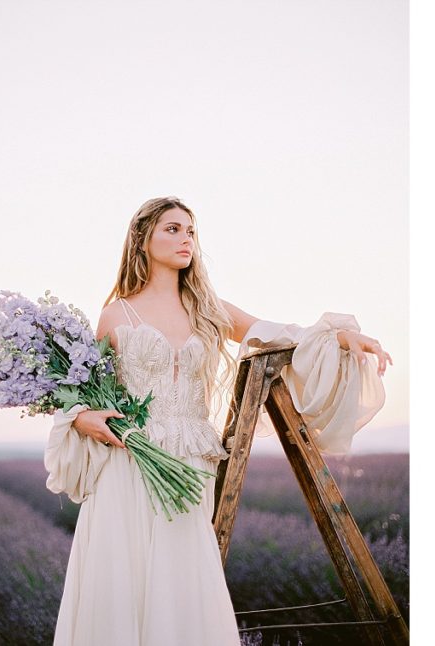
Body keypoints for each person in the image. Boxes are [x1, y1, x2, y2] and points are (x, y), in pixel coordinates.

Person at [43, 196, 392, 645]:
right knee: (120, 579)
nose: (185, 238)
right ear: (143, 240)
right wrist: (84, 419)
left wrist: (342, 336)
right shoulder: (116, 314)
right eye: (172, 229)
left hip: (190, 459)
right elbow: (83, 390)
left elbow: (277, 333)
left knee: (184, 581)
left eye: (190, 230)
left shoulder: (209, 308)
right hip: (128, 460)